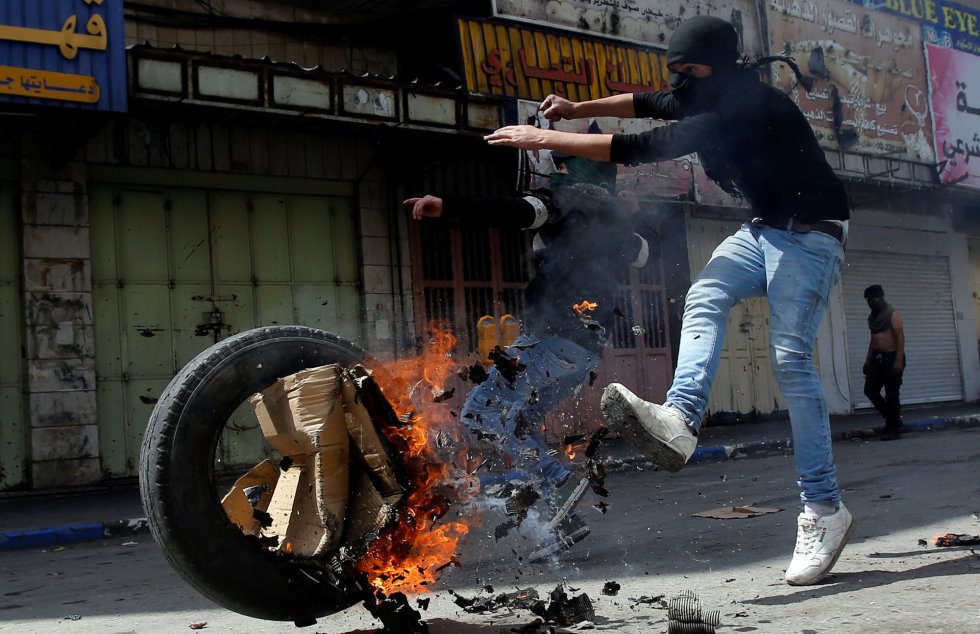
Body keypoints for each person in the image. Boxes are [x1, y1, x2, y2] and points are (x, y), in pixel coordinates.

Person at [484, 15, 853, 585]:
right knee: (704, 294)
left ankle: (823, 510)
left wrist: (542, 138)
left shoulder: (741, 104)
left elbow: (645, 144)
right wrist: (573, 109)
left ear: (719, 66)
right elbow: (647, 102)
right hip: (763, 230)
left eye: (690, 70)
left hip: (810, 233)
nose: (680, 83)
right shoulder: (701, 92)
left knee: (790, 359)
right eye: (675, 71)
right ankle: (680, 417)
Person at [404, 153, 650, 561]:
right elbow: (644, 253)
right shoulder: (617, 223)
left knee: (482, 413)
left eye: (562, 164)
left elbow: (512, 210)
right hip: (585, 350)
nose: (554, 170)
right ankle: (565, 518)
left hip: (554, 338)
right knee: (519, 422)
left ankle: (562, 483)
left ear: (573, 171)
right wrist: (629, 216)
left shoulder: (562, 200)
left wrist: (448, 205)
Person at [862, 285, 905, 441]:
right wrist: (867, 360)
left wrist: (898, 360)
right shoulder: (872, 318)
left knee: (892, 394)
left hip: (892, 357)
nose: (870, 303)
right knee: (870, 390)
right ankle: (894, 420)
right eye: (868, 300)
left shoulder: (892, 314)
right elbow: (873, 341)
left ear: (880, 298)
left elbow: (900, 337)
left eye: (873, 299)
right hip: (877, 359)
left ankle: (893, 428)